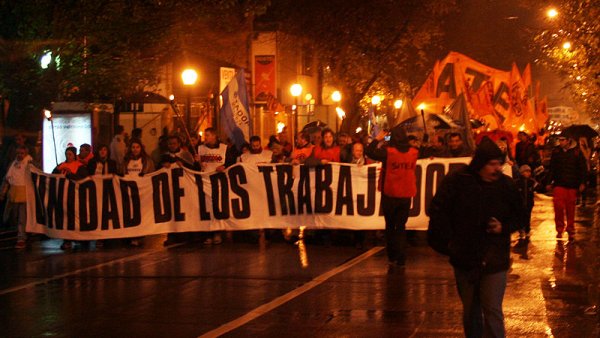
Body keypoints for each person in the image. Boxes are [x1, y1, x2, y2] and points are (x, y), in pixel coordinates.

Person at [427, 137, 525, 338]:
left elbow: (521, 215)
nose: (497, 169)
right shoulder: (458, 181)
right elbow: (438, 211)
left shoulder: (505, 185)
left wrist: (503, 227)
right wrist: (449, 245)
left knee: (492, 309)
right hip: (465, 258)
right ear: (480, 163)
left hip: (494, 258)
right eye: (492, 164)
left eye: (499, 164)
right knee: (471, 310)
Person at [366, 125, 418, 266]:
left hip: (390, 193)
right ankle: (401, 257)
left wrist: (377, 138)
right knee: (401, 226)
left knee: (390, 225)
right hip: (406, 195)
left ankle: (392, 256)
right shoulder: (413, 152)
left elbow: (369, 151)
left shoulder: (388, 153)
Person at [196, 127, 236, 245]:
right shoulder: (200, 148)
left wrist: (224, 166)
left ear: (214, 136)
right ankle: (208, 233)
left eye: (208, 135)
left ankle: (218, 232)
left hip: (219, 181)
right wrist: (196, 161)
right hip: (205, 181)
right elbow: (195, 166)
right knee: (207, 208)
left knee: (217, 207)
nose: (205, 137)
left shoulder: (224, 148)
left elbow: (231, 161)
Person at [546, 135, 587, 241]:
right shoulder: (557, 152)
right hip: (559, 184)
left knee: (570, 209)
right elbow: (552, 168)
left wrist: (582, 183)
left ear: (569, 140)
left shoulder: (576, 152)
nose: (560, 142)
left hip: (572, 185)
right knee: (558, 207)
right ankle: (559, 229)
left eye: (562, 140)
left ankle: (570, 229)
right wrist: (549, 182)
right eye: (559, 140)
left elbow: (582, 168)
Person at [53, 146, 89, 250]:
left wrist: (71, 175)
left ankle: (80, 237)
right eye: (66, 154)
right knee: (66, 218)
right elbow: (52, 175)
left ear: (74, 155)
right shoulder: (61, 166)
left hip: (75, 196)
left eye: (70, 154)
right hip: (63, 195)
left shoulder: (79, 166)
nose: (68, 156)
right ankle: (67, 240)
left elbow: (83, 179)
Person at [122, 139, 154, 247]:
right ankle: (130, 235)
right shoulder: (125, 161)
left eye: (137, 147)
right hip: (129, 192)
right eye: (133, 147)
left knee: (140, 214)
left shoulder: (147, 161)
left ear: (141, 148)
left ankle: (138, 235)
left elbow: (152, 174)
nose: (135, 149)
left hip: (142, 192)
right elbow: (121, 173)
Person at [0, 145, 33, 248]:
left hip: (24, 194)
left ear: (26, 153)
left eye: (22, 153)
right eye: (18, 153)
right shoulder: (13, 163)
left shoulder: (29, 164)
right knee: (12, 215)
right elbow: (7, 179)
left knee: (22, 217)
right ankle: (21, 234)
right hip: (14, 193)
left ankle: (21, 237)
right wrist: (3, 192)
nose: (19, 155)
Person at [515, 165, 537, 240]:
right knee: (520, 217)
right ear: (521, 173)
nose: (528, 173)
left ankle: (527, 230)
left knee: (527, 217)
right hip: (520, 204)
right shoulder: (517, 182)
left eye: (529, 172)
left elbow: (538, 187)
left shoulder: (531, 182)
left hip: (529, 203)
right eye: (526, 171)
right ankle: (521, 230)